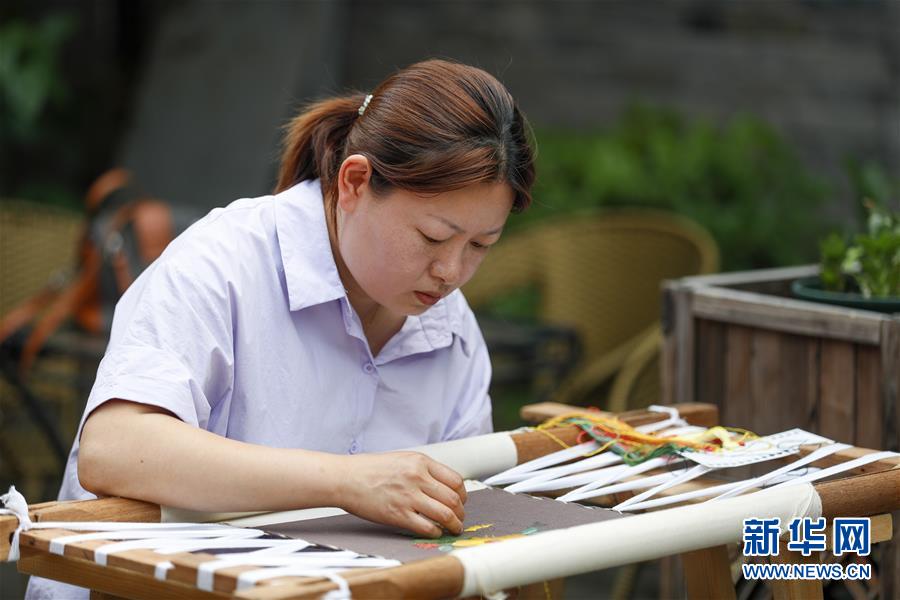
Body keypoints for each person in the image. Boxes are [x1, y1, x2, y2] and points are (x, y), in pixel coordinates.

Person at [25, 58, 535, 598]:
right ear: (356, 182)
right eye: (433, 237)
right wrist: (346, 481)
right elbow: (116, 447)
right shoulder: (224, 265)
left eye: (481, 245)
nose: (451, 272)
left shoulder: (448, 326)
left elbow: (460, 507)